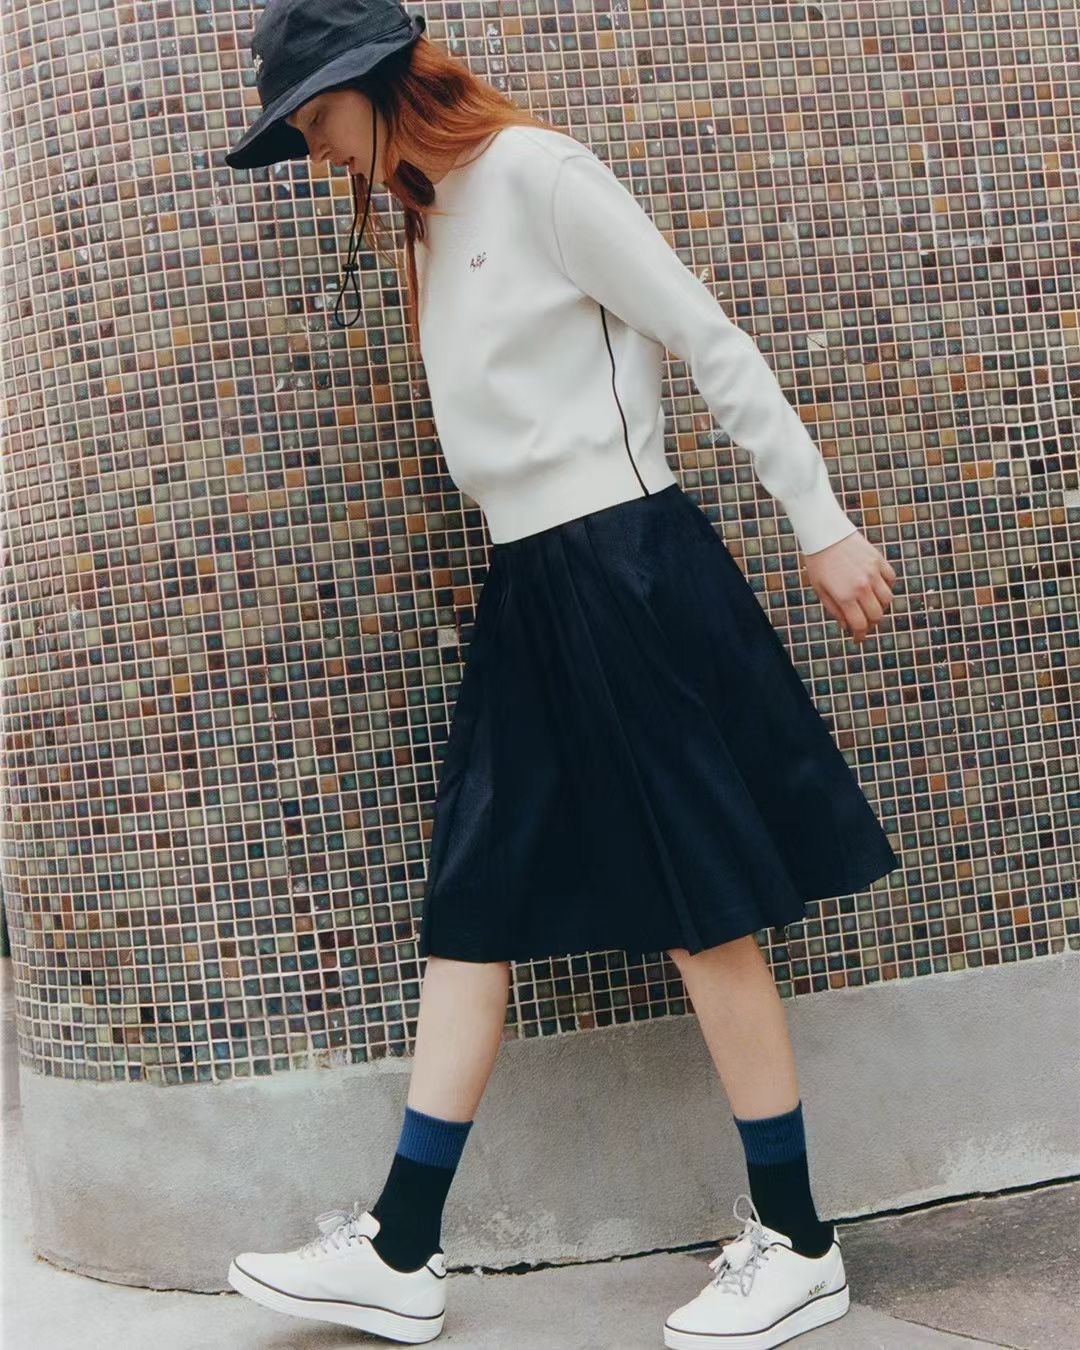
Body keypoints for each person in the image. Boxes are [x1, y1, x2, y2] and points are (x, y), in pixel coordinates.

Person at [222, 2, 902, 1346]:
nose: (312, 151)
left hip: (625, 565)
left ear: (372, 82)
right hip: (531, 584)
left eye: (314, 119)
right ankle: (402, 1247)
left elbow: (708, 337)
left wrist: (819, 522)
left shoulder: (537, 173)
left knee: (702, 903)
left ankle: (800, 1240)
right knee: (471, 899)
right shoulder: (425, 219)